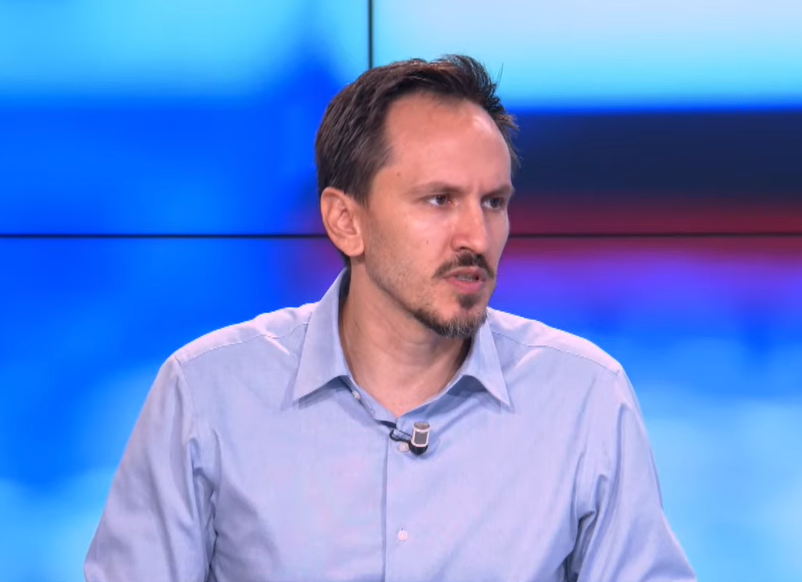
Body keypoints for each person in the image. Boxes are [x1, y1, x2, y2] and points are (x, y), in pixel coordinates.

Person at [84, 55, 695, 582]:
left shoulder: (584, 396)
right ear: (345, 222)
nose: (477, 236)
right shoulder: (207, 393)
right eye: (439, 200)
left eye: (493, 202)